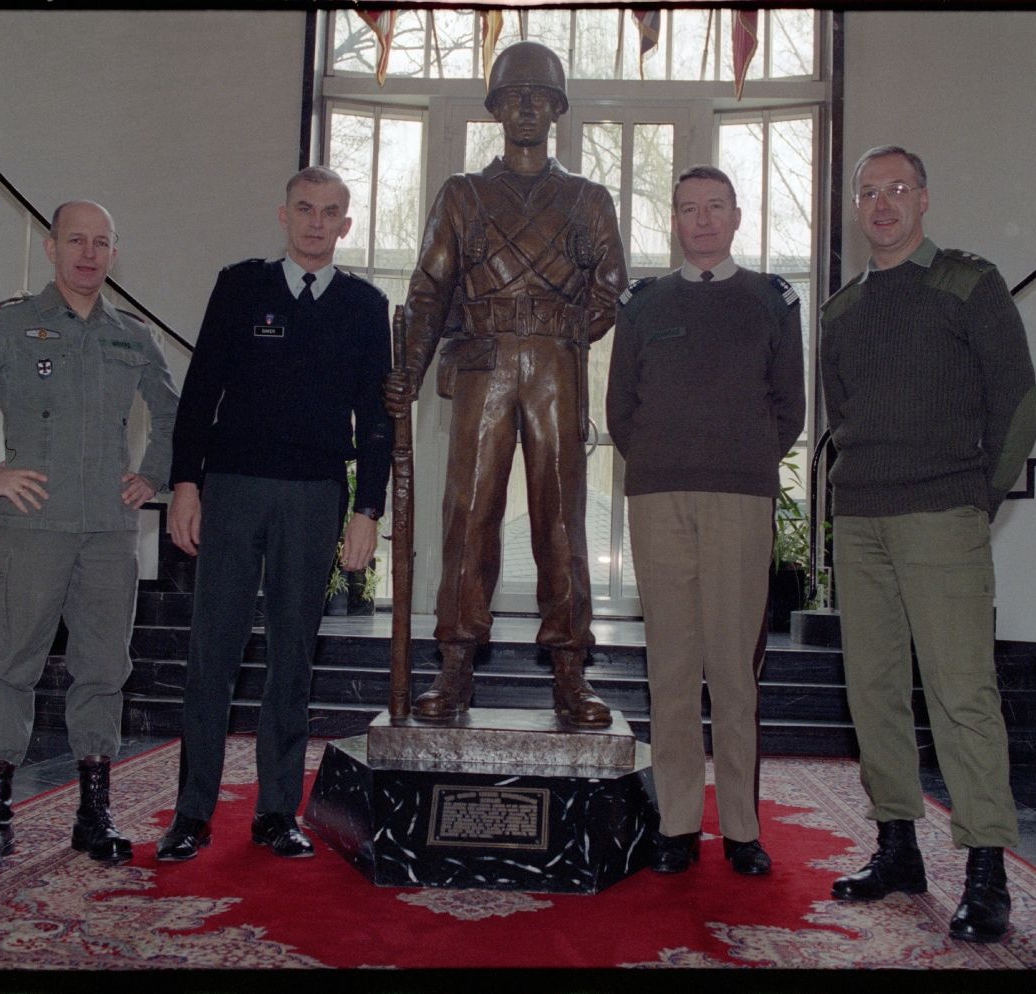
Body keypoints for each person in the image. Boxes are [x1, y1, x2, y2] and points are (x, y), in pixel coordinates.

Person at [0, 200, 179, 870]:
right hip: (29, 530)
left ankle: (95, 813)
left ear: (116, 253)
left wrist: (152, 478)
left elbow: (175, 412)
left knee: (104, 672)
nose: (89, 254)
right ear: (50, 247)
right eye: (76, 240)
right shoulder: (14, 327)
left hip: (109, 535)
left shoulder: (133, 337)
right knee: (10, 668)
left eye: (102, 242)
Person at [819, 145, 1036, 943]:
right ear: (857, 206)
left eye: (898, 189)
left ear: (924, 200)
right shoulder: (840, 311)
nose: (882, 204)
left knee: (960, 693)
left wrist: (974, 501)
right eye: (869, 192)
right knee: (872, 690)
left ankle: (986, 870)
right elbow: (842, 415)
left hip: (943, 514)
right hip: (861, 519)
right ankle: (897, 848)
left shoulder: (970, 284)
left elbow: (1017, 406)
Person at [385, 41, 627, 726]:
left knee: (560, 519)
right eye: (512, 94)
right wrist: (409, 367)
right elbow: (429, 291)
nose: (525, 105)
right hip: (483, 361)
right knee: (467, 514)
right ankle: (457, 665)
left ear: (556, 109)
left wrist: (571, 323)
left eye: (538, 95)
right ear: (495, 108)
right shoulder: (462, 196)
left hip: (555, 361)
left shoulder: (587, 200)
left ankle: (570, 671)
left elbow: (612, 289)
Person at [156, 166, 391, 862]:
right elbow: (199, 393)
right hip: (231, 489)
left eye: (331, 212)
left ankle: (275, 814)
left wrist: (367, 509)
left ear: (346, 224)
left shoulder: (363, 304)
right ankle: (192, 815)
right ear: (283, 215)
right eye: (305, 209)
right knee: (213, 655)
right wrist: (185, 485)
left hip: (316, 494)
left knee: (293, 656)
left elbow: (377, 418)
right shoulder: (240, 286)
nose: (317, 222)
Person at [607, 165, 804, 876]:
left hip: (740, 499)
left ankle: (744, 832)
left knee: (732, 668)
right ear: (675, 220)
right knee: (672, 664)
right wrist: (667, 459)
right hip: (659, 497)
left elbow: (790, 408)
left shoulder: (772, 300)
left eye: (715, 207)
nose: (702, 220)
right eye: (688, 208)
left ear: (737, 215)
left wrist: (738, 459)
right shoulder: (642, 303)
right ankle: (679, 823)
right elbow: (620, 409)